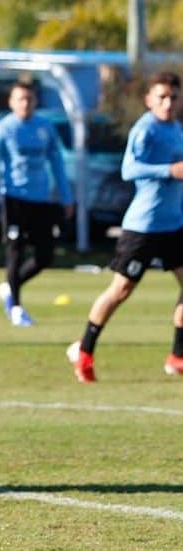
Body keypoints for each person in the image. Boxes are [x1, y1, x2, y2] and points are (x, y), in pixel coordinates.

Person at [67, 71, 183, 383]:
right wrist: (169, 170)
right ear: (149, 100)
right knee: (120, 290)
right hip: (143, 227)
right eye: (161, 97)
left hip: (175, 225)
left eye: (173, 97)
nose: (168, 103)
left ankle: (177, 356)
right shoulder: (145, 129)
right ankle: (85, 350)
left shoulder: (178, 130)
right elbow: (129, 168)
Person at [0, 81, 73, 326]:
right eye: (20, 99)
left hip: (41, 199)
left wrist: (66, 197)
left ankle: (9, 286)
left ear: (36, 101)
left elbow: (57, 164)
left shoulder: (45, 128)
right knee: (15, 252)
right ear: (11, 102)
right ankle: (17, 309)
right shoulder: (2, 130)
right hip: (13, 199)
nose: (25, 103)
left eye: (29, 99)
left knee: (45, 256)